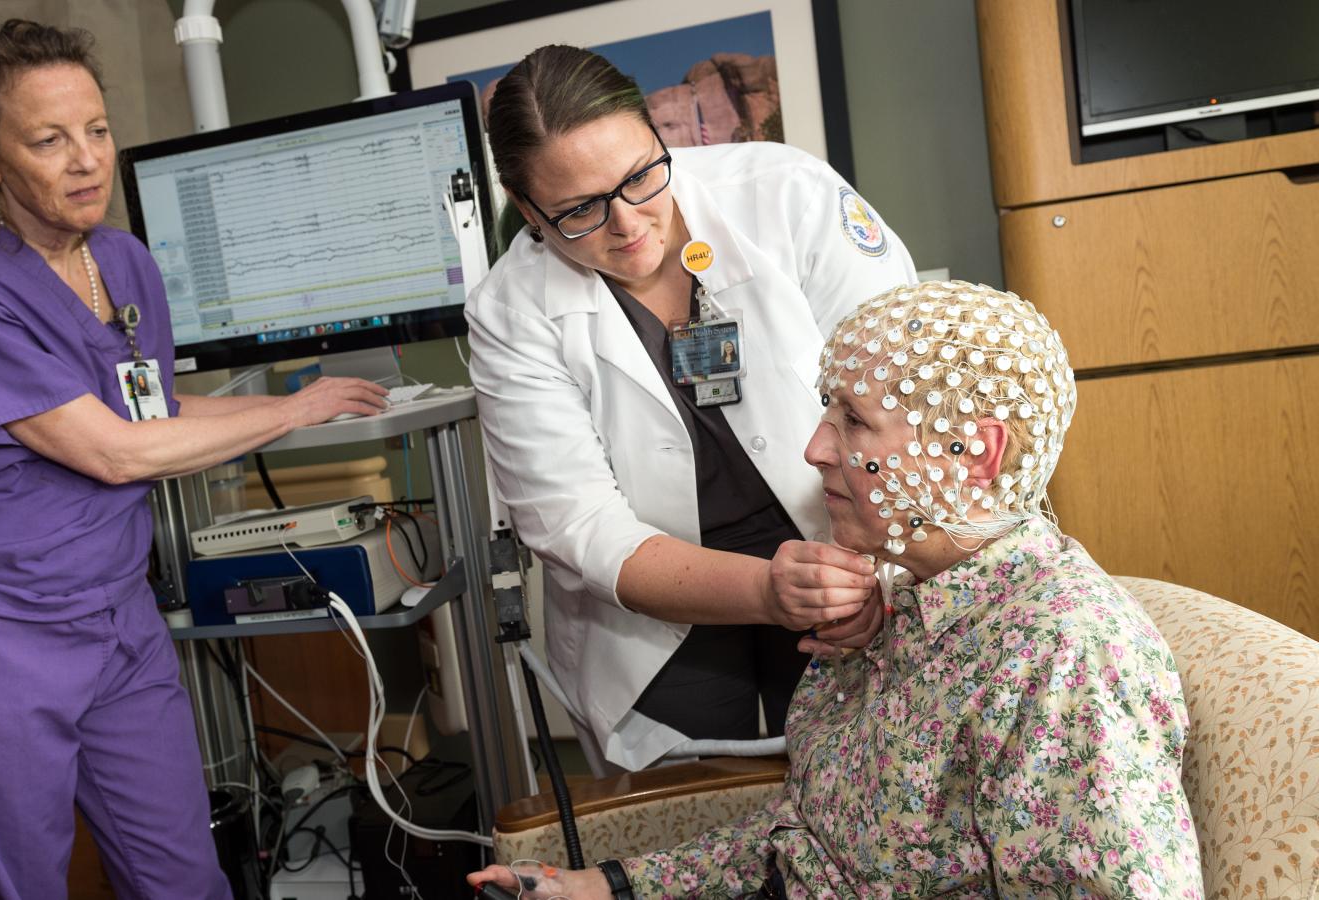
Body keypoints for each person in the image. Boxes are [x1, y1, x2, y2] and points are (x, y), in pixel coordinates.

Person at [469, 281, 1202, 898]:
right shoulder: (897, 607)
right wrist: (607, 886)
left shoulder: (1063, 660)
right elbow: (813, 840)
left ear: (978, 453)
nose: (816, 447)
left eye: (853, 420)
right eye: (828, 410)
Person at [0, 20, 387, 899]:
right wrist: (289, 413)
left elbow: (144, 407)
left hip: (118, 620)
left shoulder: (123, 261)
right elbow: (115, 453)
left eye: (98, 130)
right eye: (48, 140)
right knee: (12, 885)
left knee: (182, 877)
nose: (86, 160)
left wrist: (284, 405)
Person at [466, 45, 918, 771]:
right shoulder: (510, 312)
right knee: (699, 830)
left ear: (657, 134)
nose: (628, 224)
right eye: (580, 210)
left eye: (641, 176)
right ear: (529, 212)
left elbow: (903, 397)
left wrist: (871, 575)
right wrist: (769, 590)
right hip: (660, 589)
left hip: (845, 543)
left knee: (864, 802)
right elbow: (579, 522)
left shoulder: (785, 196)